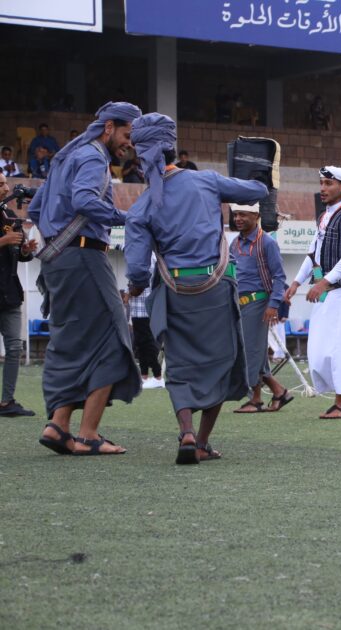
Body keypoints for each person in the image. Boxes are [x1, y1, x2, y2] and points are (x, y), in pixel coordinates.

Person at [124, 112, 269, 464]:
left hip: (175, 293)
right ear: (174, 149)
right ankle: (202, 441)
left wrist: (136, 287)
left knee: (180, 365)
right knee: (222, 363)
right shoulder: (206, 181)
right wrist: (253, 171)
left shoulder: (140, 207)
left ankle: (186, 431)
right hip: (216, 287)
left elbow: (138, 272)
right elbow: (259, 192)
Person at [28, 101, 144, 456]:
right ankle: (89, 434)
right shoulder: (93, 157)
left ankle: (58, 425)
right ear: (108, 127)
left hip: (58, 260)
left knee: (75, 341)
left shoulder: (68, 155)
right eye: (127, 135)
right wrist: (129, 218)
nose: (129, 144)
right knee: (115, 338)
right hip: (83, 256)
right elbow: (84, 200)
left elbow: (35, 209)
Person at [284, 166, 341, 418]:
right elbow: (313, 254)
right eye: (321, 183)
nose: (322, 188)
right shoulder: (324, 216)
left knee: (335, 350)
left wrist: (322, 282)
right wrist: (296, 282)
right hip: (326, 293)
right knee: (318, 352)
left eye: (328, 183)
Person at [230, 202, 294, 414]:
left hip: (258, 304)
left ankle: (256, 398)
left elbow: (279, 276)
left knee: (250, 352)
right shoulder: (234, 244)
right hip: (239, 305)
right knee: (252, 351)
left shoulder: (266, 242)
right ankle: (279, 392)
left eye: (243, 215)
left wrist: (273, 305)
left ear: (255, 215)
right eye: (235, 214)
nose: (238, 218)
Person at [0, 171, 37, 416]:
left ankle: (6, 402)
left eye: (5, 183)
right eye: (1, 184)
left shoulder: (10, 215)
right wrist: (3, 241)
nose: (6, 188)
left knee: (14, 347)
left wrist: (25, 250)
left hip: (9, 292)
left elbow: (18, 256)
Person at [128, 257, 163, 390]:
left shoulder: (147, 258)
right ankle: (144, 377)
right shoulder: (146, 256)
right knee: (141, 343)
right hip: (138, 307)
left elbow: (140, 283)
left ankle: (158, 376)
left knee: (147, 343)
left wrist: (129, 293)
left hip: (143, 307)